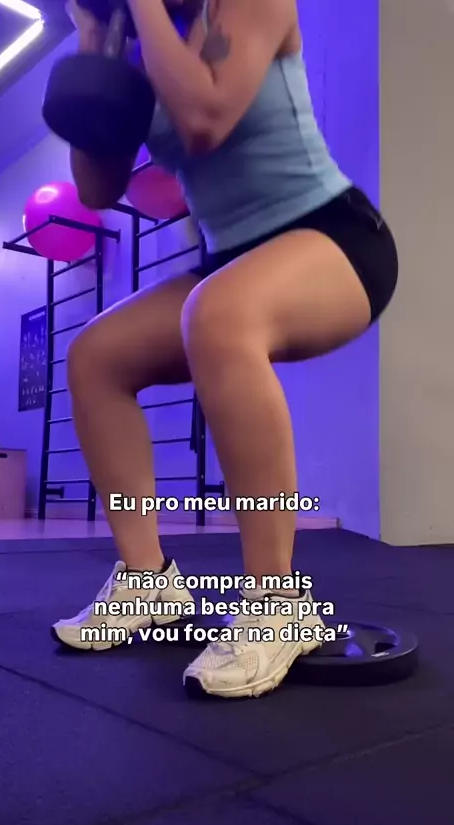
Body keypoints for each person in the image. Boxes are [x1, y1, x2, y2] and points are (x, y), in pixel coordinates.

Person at [53, 0, 398, 699]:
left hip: (334, 238)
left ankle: (277, 603)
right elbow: (96, 188)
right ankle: (147, 582)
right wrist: (95, 41)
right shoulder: (137, 43)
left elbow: (206, 120)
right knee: (96, 357)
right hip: (229, 264)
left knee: (218, 313)